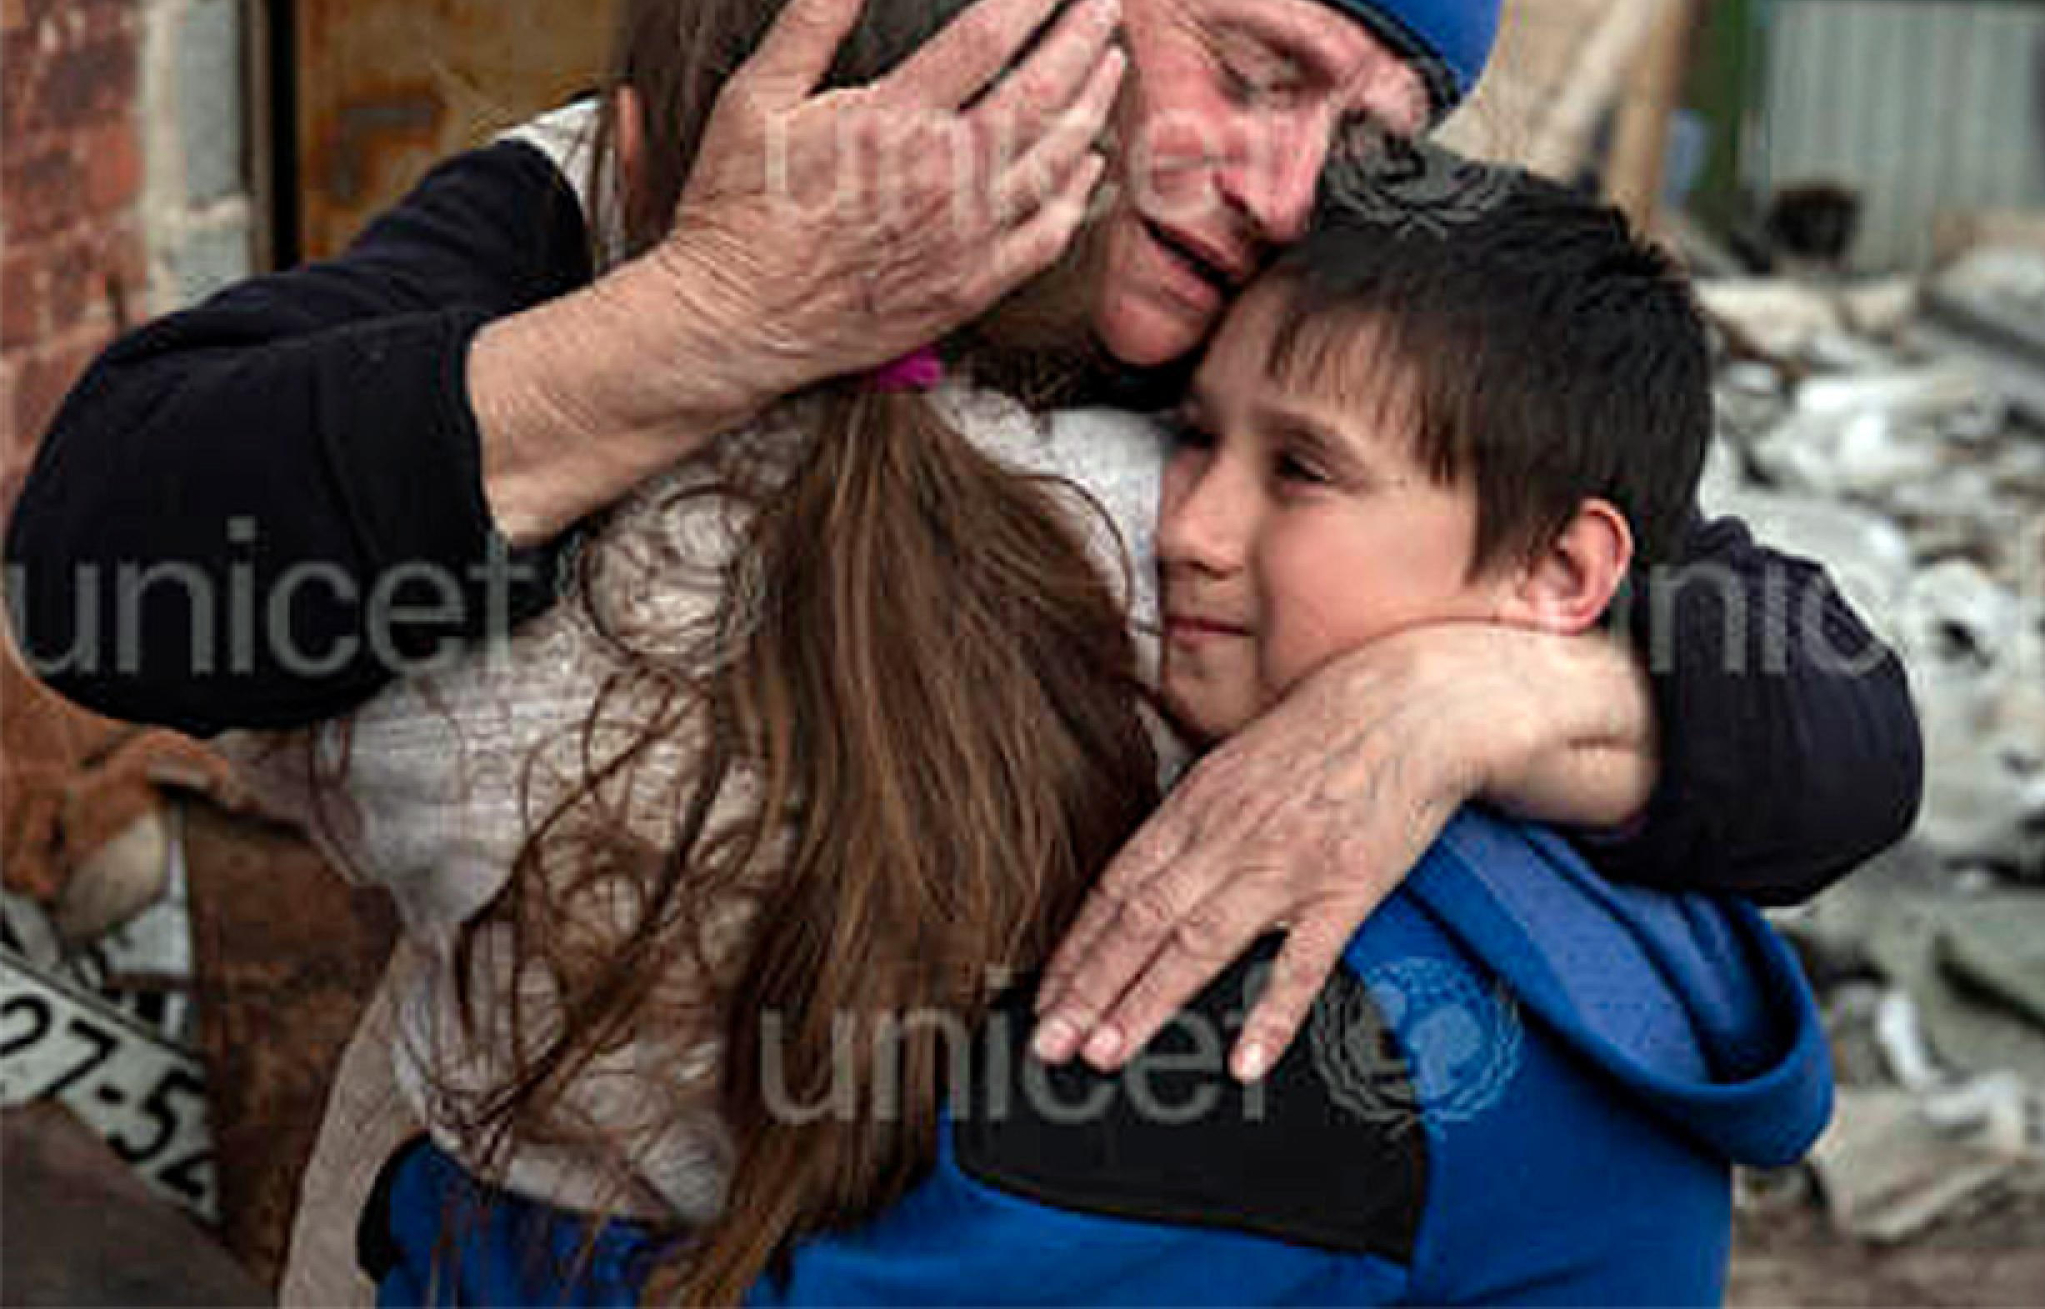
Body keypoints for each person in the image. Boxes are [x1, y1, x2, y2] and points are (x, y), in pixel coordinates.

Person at [4, 0, 1920, 1086]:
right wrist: (719, 321)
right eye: (1248, 73)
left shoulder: (1325, 313)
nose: (1282, 189)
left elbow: (1837, 723)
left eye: (1365, 134)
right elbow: (106, 562)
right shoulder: (638, 181)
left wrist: (1461, 693)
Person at [363, 156, 1834, 1307]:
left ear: (1564, 575)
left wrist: (432, 1219)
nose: (1186, 525)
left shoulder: (1291, 1012)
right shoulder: (1600, 864)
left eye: (1303, 471)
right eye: (1196, 436)